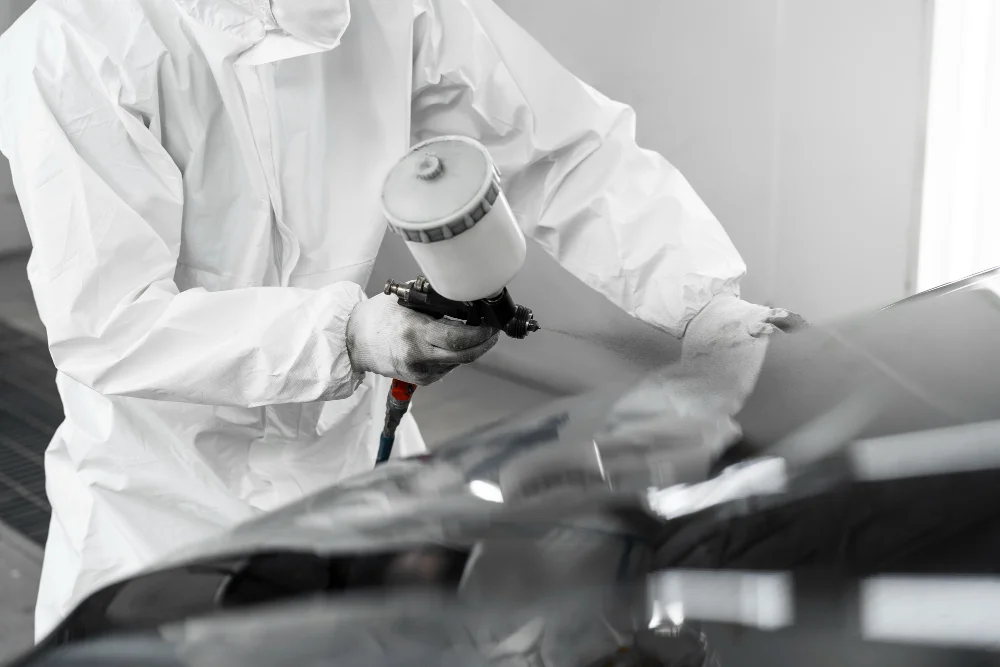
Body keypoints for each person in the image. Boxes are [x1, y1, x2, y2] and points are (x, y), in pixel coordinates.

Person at [0, 0, 801, 640]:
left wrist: (704, 301)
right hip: (157, 502)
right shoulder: (70, 46)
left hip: (348, 475)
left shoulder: (395, 9)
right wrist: (346, 333)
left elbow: (563, 151)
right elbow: (112, 323)